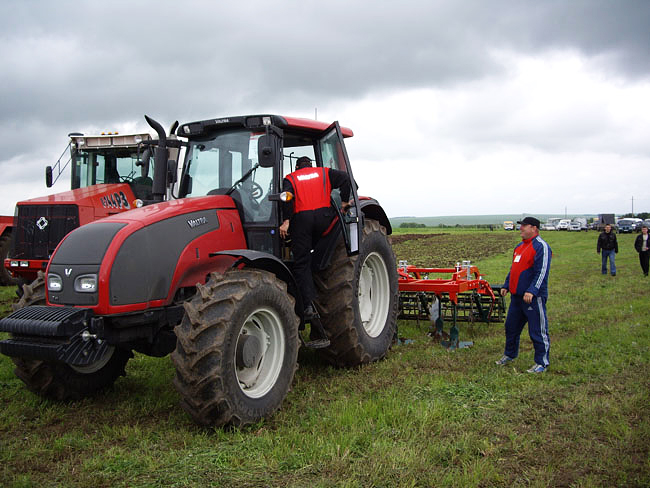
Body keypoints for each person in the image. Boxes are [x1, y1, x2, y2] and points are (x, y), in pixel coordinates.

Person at [279, 156, 351, 320]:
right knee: (323, 252)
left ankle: (308, 305)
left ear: (297, 167)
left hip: (302, 221)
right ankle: (322, 270)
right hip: (324, 219)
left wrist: (286, 221)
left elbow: (287, 197)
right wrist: (345, 202)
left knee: (301, 262)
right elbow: (346, 179)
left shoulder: (291, 178)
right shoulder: (324, 173)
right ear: (311, 165)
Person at [495, 216, 552, 373]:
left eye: (524, 226)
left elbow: (542, 272)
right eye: (521, 226)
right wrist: (506, 285)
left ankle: (542, 362)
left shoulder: (541, 247)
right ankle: (510, 354)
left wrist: (532, 291)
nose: (521, 228)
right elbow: (514, 269)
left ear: (534, 228)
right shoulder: (519, 247)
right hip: (517, 297)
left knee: (537, 331)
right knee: (511, 327)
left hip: (533, 298)